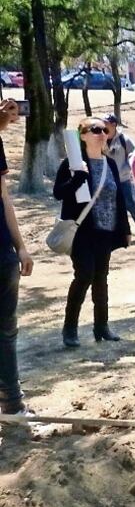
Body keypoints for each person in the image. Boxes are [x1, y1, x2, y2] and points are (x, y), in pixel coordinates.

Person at [53, 117, 131, 347]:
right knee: (84, 275)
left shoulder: (110, 164)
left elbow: (119, 198)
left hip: (106, 231)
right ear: (83, 135)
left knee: (101, 279)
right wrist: (78, 177)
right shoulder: (72, 163)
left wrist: (125, 229)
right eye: (94, 129)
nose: (100, 133)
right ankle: (70, 329)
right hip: (81, 231)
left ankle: (102, 327)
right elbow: (59, 193)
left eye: (104, 130)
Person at [0, 99, 34, 415]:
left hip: (2, 253)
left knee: (7, 329)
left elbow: (3, 196)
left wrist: (20, 245)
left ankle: (12, 403)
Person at [102, 113, 135, 241]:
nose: (103, 126)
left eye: (106, 123)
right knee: (110, 207)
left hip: (123, 179)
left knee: (130, 205)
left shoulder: (124, 140)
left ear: (114, 124)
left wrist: (128, 169)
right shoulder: (99, 138)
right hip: (106, 181)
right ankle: (119, 233)